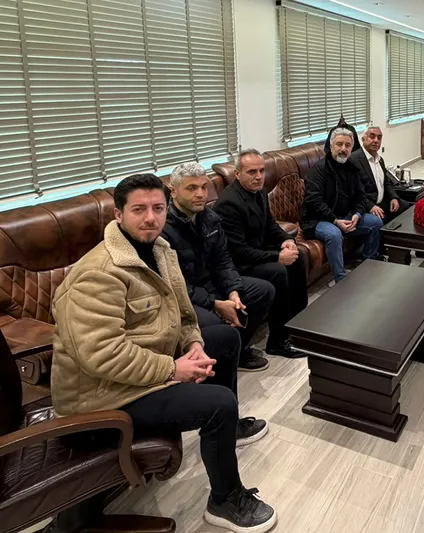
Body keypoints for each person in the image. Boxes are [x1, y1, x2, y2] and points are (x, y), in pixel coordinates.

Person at [50, 174, 277, 532]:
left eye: (157, 208)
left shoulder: (160, 250)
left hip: (138, 371)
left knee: (226, 339)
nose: (150, 218)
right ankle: (225, 500)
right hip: (102, 396)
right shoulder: (98, 274)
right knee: (219, 403)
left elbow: (183, 314)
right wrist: (172, 369)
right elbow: (102, 355)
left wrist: (195, 345)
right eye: (138, 209)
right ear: (118, 214)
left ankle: (228, 430)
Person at [161, 162, 274, 371]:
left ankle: (237, 351)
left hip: (211, 285)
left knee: (262, 290)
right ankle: (216, 364)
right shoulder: (163, 229)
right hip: (184, 297)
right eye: (191, 188)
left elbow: (223, 260)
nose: (200, 194)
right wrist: (215, 303)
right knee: (212, 321)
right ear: (173, 191)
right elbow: (175, 285)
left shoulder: (209, 218)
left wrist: (233, 291)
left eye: (204, 187)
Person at [214, 149, 307, 358]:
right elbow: (238, 252)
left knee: (298, 257)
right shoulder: (229, 203)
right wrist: (277, 257)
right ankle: (277, 340)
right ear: (237, 174)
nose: (258, 176)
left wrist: (287, 241)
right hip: (239, 264)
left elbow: (270, 225)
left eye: (261, 171)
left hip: (256, 252)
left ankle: (298, 325)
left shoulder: (260, 192)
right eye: (251, 172)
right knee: (278, 271)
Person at [300, 127, 383, 282]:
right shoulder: (319, 169)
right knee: (334, 234)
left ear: (352, 148)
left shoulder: (352, 168)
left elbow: (361, 196)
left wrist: (357, 214)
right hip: (318, 220)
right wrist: (335, 221)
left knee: (375, 222)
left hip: (346, 216)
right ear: (331, 146)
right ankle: (341, 280)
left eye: (347, 145)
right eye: (339, 144)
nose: (343, 149)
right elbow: (314, 201)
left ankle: (368, 264)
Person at [350, 126, 410, 223]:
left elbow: (386, 183)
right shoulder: (353, 160)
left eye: (379, 137)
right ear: (363, 139)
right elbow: (353, 191)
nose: (376, 140)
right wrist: (370, 206)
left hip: (381, 201)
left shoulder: (380, 160)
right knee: (380, 219)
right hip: (365, 205)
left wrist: (394, 197)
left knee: (407, 206)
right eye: (372, 136)